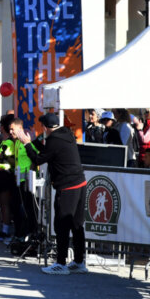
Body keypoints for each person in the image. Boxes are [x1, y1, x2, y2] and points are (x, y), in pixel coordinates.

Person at [20, 113, 88, 275]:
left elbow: (38, 160)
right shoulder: (66, 134)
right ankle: (79, 261)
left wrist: (27, 144)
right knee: (77, 225)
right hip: (80, 183)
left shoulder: (54, 140)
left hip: (68, 186)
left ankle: (61, 263)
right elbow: (49, 152)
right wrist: (35, 141)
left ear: (45, 127)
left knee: (62, 225)